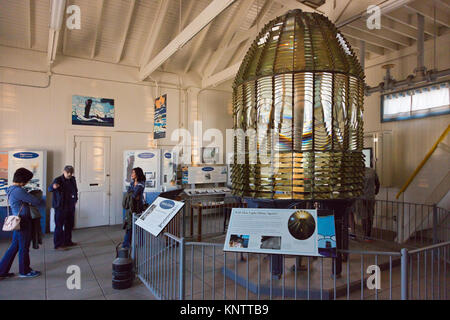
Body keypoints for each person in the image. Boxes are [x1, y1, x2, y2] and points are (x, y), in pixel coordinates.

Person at [0, 168, 42, 279]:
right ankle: (25, 271)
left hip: (17, 221)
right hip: (23, 222)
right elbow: (37, 201)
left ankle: (1, 271)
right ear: (23, 180)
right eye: (27, 180)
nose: (27, 182)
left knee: (14, 246)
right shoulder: (19, 191)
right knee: (24, 247)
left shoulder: (11, 189)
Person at [48, 165, 78, 250]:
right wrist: (53, 187)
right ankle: (58, 245)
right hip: (60, 207)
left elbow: (75, 190)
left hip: (70, 206)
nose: (69, 174)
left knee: (69, 225)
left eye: (71, 173)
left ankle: (68, 241)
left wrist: (76, 199)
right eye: (68, 172)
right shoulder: (58, 180)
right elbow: (49, 189)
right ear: (64, 172)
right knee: (59, 226)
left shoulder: (72, 179)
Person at [122, 167, 146, 249]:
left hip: (138, 207)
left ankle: (140, 243)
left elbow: (134, 195)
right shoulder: (132, 183)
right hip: (131, 207)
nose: (131, 174)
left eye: (133, 172)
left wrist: (132, 195)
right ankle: (126, 244)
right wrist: (132, 195)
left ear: (137, 174)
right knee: (129, 225)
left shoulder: (141, 184)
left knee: (139, 226)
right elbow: (130, 194)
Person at [360, 165, 380, 241]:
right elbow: (377, 183)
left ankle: (367, 234)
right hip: (365, 197)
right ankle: (366, 234)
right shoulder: (371, 171)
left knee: (367, 216)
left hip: (367, 197)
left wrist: (376, 191)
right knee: (367, 216)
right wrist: (376, 191)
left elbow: (377, 183)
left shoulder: (371, 171)